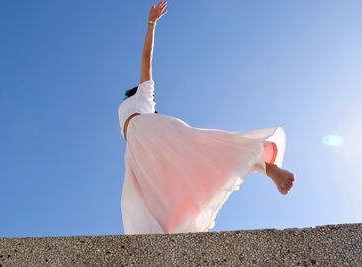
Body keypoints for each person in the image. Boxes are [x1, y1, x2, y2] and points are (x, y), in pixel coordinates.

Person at [118, 1, 295, 235]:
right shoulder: (133, 106)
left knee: (204, 150)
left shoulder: (145, 94)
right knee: (149, 197)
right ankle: (175, 233)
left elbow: (146, 58)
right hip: (136, 149)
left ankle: (268, 167)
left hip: (151, 131)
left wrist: (151, 24)